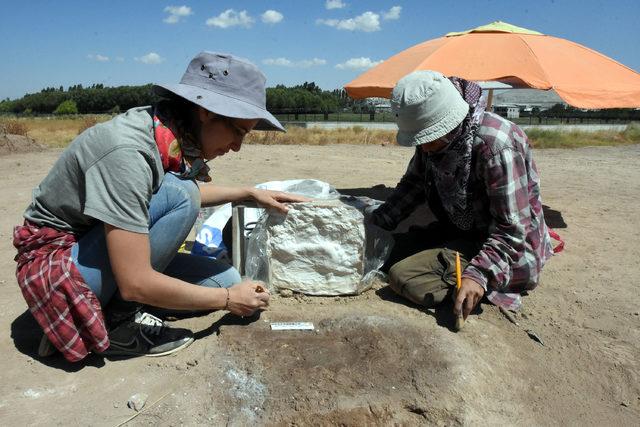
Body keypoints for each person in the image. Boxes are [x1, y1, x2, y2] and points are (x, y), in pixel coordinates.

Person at [13, 52, 306, 361]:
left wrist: (249, 192)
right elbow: (141, 270)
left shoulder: (166, 137)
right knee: (187, 206)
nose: (237, 146)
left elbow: (155, 199)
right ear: (206, 111)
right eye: (237, 131)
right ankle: (117, 325)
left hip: (101, 250)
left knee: (226, 279)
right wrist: (229, 301)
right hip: (58, 267)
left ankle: (97, 310)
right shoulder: (128, 151)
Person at [370, 70, 554, 326]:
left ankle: (471, 276)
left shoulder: (496, 146)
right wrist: (375, 224)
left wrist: (478, 273)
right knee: (384, 251)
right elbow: (413, 186)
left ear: (449, 123)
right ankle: (447, 253)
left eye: (428, 140)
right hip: (458, 232)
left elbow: (512, 229)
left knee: (403, 278)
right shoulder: (436, 141)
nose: (423, 148)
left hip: (503, 247)